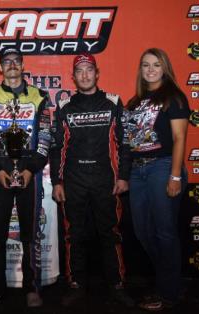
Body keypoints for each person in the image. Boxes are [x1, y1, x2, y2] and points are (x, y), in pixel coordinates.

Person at [50, 53, 134, 307]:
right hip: (74, 182)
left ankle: (117, 284)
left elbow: (126, 143)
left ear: (97, 73)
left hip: (105, 180)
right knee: (74, 235)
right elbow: (57, 148)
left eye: (89, 70)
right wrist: (57, 181)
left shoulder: (114, 102)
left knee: (110, 234)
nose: (85, 75)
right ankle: (75, 284)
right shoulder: (65, 107)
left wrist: (124, 176)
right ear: (73, 77)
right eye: (80, 71)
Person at [0, 47, 51, 308]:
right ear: (0, 67)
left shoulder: (40, 96)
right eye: (6, 62)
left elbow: (44, 136)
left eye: (16, 62)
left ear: (22, 65)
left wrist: (32, 168)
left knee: (31, 232)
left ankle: (32, 287)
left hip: (30, 169)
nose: (11, 66)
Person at [125, 48, 189, 311]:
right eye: (145, 65)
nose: (150, 69)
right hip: (137, 172)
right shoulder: (134, 102)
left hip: (162, 167)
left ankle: (169, 294)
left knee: (165, 233)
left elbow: (179, 138)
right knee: (143, 231)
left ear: (165, 68)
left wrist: (175, 175)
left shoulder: (174, 97)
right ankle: (170, 280)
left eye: (156, 64)